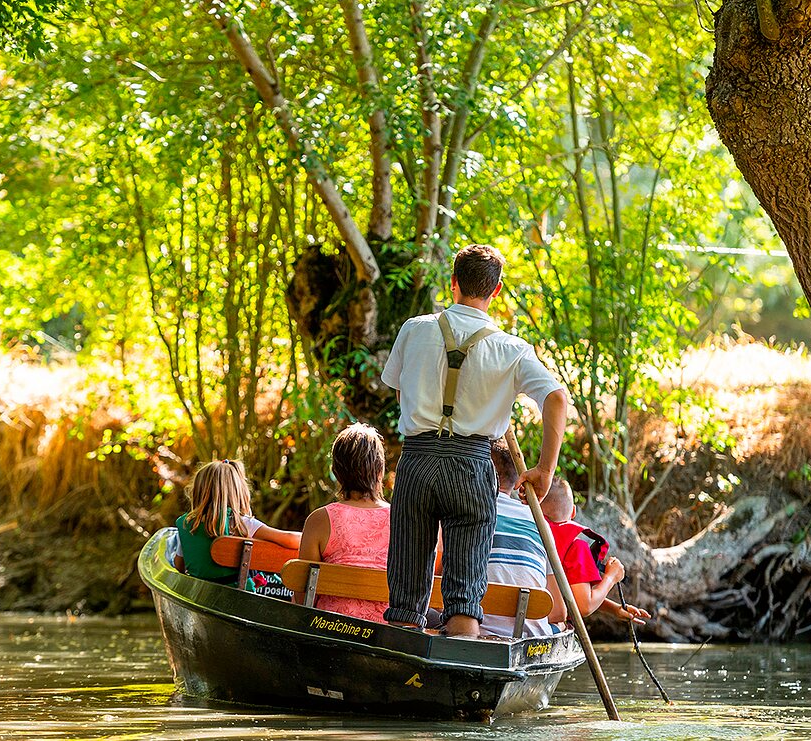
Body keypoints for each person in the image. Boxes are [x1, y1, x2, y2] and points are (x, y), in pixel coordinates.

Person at [381, 244, 568, 636]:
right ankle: (461, 680)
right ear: (496, 291)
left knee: (406, 595)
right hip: (471, 465)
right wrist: (545, 471)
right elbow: (556, 398)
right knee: (464, 596)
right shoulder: (513, 349)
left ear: (453, 284)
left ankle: (399, 676)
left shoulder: (414, 329)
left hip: (417, 461)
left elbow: (400, 394)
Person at [298, 423, 392, 622]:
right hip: (387, 629)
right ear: (380, 470)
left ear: (337, 471)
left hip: (329, 627)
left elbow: (302, 596)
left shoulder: (319, 520)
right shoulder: (401, 519)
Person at [483, 438, 568, 637]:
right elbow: (558, 611)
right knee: (562, 625)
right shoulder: (538, 521)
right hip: (529, 636)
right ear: (516, 481)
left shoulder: (465, 511)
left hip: (475, 629)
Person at [540, 477, 651, 623]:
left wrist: (615, 608)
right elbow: (584, 606)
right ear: (573, 512)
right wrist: (611, 577)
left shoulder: (531, 535)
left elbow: (575, 593)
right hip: (548, 623)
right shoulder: (576, 548)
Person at [173, 459, 300, 583]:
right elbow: (289, 538)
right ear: (238, 491)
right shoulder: (241, 523)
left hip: (200, 593)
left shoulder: (185, 524)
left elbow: (179, 566)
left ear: (197, 491)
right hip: (236, 594)